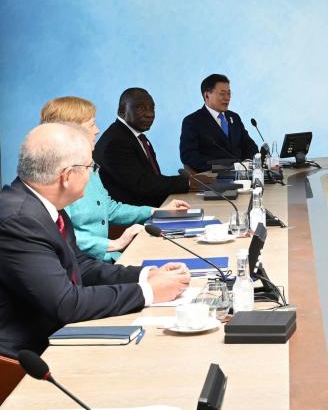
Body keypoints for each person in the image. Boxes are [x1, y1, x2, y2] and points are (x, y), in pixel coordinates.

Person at [0, 123, 190, 358]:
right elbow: (66, 304)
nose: (93, 175)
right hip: (26, 357)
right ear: (67, 176)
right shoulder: (19, 220)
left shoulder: (44, 205)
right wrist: (148, 292)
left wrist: (145, 275)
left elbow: (80, 265)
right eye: (91, 167)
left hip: (56, 333)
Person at [42, 96, 191, 262]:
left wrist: (157, 212)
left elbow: (110, 208)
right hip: (84, 265)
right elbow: (61, 235)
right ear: (70, 132)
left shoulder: (88, 166)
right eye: (91, 125)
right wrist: (115, 244)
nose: (97, 130)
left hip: (107, 259)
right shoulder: (53, 178)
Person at [95, 88, 199, 207]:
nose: (150, 114)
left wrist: (188, 182)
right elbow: (142, 184)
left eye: (152, 108)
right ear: (122, 111)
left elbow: (151, 179)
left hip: (152, 205)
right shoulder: (116, 142)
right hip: (134, 218)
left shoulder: (135, 136)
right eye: (141, 108)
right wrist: (189, 182)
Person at [180, 74, 258, 172]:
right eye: (222, 93)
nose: (227, 98)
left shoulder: (234, 117)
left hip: (243, 174)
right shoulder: (192, 121)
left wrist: (248, 162)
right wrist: (223, 167)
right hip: (214, 179)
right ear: (207, 95)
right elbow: (188, 156)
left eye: (229, 93)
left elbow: (249, 145)